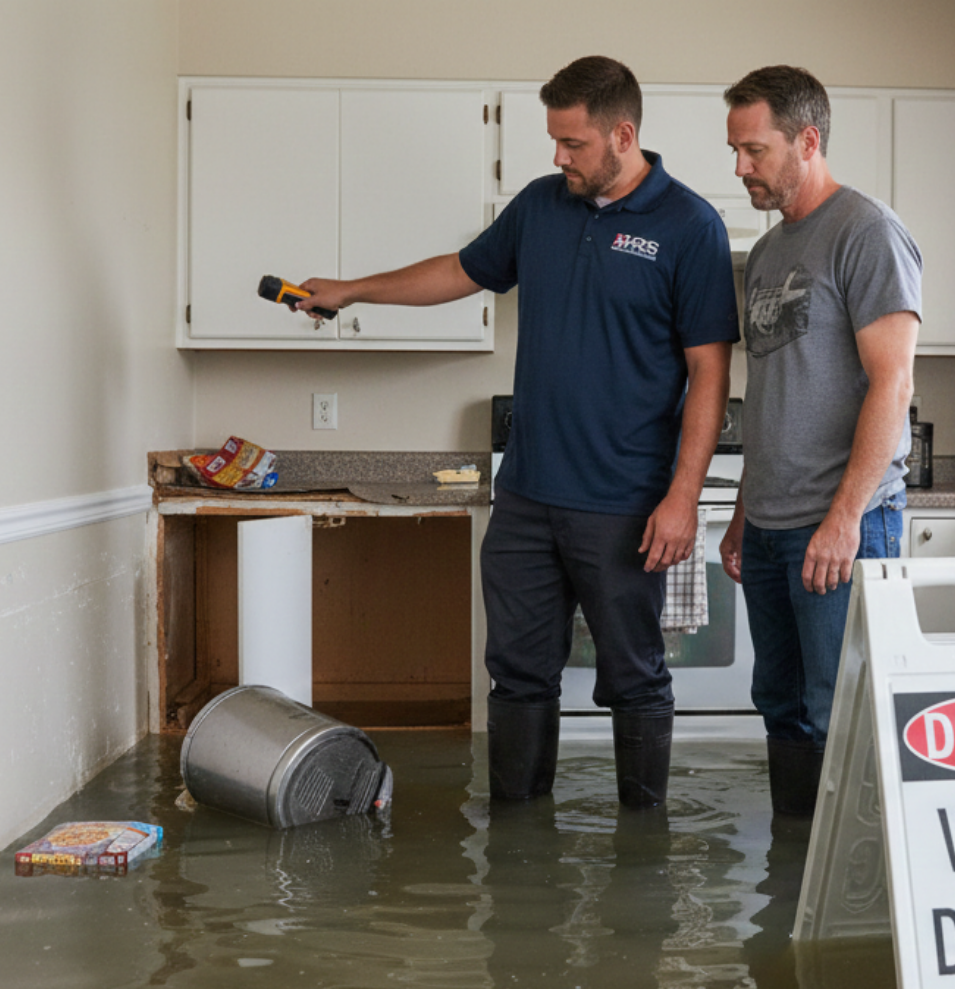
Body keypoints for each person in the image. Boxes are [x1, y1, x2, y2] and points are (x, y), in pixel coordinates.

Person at [295, 56, 740, 808]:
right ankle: (520, 846)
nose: (558, 157)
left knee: (634, 676)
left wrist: (682, 497)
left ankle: (642, 855)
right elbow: (461, 272)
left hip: (626, 503)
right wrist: (354, 290)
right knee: (518, 673)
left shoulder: (689, 226)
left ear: (623, 134)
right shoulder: (540, 206)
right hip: (528, 498)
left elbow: (710, 374)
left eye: (573, 143)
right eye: (554, 141)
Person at [720, 66, 922, 817]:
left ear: (808, 140)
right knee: (780, 701)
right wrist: (745, 510)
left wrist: (843, 519)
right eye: (735, 151)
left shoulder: (867, 232)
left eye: (755, 150)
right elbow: (775, 395)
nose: (741, 167)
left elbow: (891, 385)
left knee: (841, 706)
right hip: (773, 524)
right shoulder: (771, 252)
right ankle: (796, 874)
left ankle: (858, 895)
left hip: (843, 523)